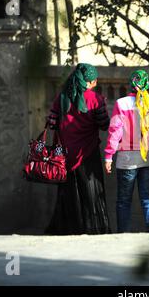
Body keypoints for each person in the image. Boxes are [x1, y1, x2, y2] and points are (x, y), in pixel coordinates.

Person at [45, 63, 111, 235]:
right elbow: (104, 125)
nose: (96, 83)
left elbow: (51, 123)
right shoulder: (95, 99)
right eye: (94, 80)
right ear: (88, 81)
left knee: (68, 193)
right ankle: (93, 229)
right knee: (91, 192)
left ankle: (68, 229)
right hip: (87, 153)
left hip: (65, 155)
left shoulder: (61, 97)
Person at [104, 70, 149, 233]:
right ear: (147, 84)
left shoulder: (121, 103)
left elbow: (115, 130)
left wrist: (109, 156)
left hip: (127, 158)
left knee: (124, 201)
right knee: (148, 199)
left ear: (131, 84)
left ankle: (123, 234)